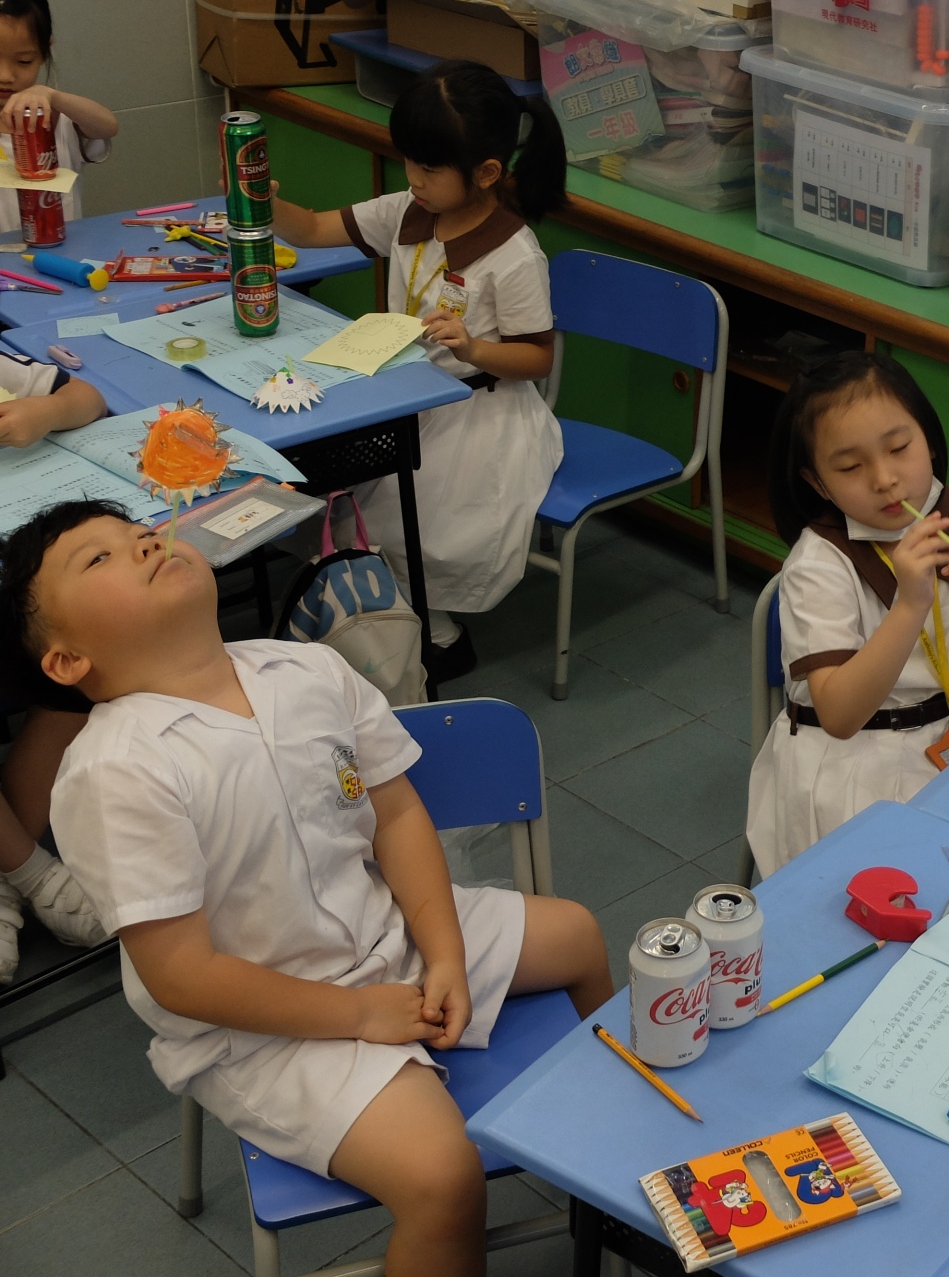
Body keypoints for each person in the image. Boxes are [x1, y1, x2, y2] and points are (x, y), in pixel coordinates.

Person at [1, 500, 614, 1277]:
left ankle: (611, 1151)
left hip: (384, 931)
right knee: (443, 1178)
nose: (145, 542)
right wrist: (359, 1014)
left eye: (139, 531)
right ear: (66, 661)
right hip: (265, 1027)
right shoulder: (114, 771)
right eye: (99, 558)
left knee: (577, 935)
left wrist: (444, 953)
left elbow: (397, 815)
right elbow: (182, 976)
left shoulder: (307, 669)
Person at [270, 60, 567, 681]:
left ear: (486, 172)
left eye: (429, 167)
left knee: (408, 526)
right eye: (409, 161)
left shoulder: (515, 254)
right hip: (406, 395)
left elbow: (537, 357)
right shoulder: (411, 210)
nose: (413, 178)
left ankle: (436, 636)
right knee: (333, 493)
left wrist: (475, 348)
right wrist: (263, 202)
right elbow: (315, 228)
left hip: (480, 413)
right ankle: (377, 616)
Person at [745, 352, 949, 874]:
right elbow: (840, 717)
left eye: (899, 448)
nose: (884, 478)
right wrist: (911, 603)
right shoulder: (818, 561)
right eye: (850, 467)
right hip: (847, 761)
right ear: (817, 482)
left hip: (947, 732)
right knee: (888, 892)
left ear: (930, 440)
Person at [0, 349, 112, 981]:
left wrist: (44, 413)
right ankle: (32, 874)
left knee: (75, 660)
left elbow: (87, 398)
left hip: (14, 570)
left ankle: (10, 877)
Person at [0, 0, 117, 231]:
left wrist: (53, 96)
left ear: (44, 52)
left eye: (24, 61)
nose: (5, 76)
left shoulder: (53, 117)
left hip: (61, 251)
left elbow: (108, 126)